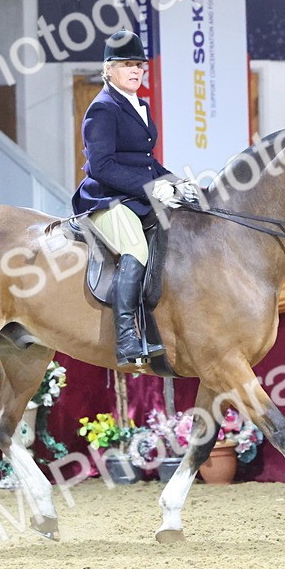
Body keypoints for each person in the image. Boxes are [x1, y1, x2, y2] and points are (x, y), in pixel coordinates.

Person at [71, 29, 197, 366]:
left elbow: (146, 161)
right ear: (108, 69)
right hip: (106, 199)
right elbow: (102, 166)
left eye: (139, 65)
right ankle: (127, 337)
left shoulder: (139, 105)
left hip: (134, 196)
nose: (136, 71)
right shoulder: (102, 109)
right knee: (136, 247)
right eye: (128, 65)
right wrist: (152, 188)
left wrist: (175, 182)